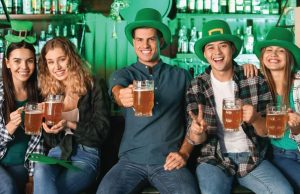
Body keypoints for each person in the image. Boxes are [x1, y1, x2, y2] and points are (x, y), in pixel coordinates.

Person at [97, 8, 199, 194]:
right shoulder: (124, 74)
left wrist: (184, 153)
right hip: (130, 162)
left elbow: (193, 120)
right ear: (134, 43)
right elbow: (117, 90)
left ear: (160, 41)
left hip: (168, 161)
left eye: (151, 39)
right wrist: (122, 95)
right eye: (139, 40)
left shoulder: (181, 75)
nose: (145, 45)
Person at [186, 19, 293, 194]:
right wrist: (197, 132)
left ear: (233, 49)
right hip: (214, 158)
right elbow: (195, 139)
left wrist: (256, 119)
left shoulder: (254, 78)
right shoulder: (196, 85)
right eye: (211, 47)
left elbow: (266, 131)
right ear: (205, 53)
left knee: (284, 192)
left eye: (223, 46)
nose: (217, 52)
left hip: (252, 157)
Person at [33, 37, 110, 194]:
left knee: (54, 190)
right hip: (57, 153)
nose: (57, 67)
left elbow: (101, 132)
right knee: (40, 166)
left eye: (62, 59)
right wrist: (48, 128)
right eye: (51, 62)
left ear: (72, 58)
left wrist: (69, 124)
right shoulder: (50, 91)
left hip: (86, 156)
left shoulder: (94, 85)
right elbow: (51, 142)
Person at [0, 20, 45, 194]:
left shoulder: (41, 95)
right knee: (8, 188)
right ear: (7, 63)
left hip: (23, 165)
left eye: (30, 61)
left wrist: (34, 176)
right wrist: (9, 128)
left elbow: (40, 142)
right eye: (17, 61)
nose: (24, 67)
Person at [254, 27, 300, 193]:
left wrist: (297, 126)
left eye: (281, 50)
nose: (273, 54)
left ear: (290, 57)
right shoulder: (256, 84)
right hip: (281, 154)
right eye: (269, 50)